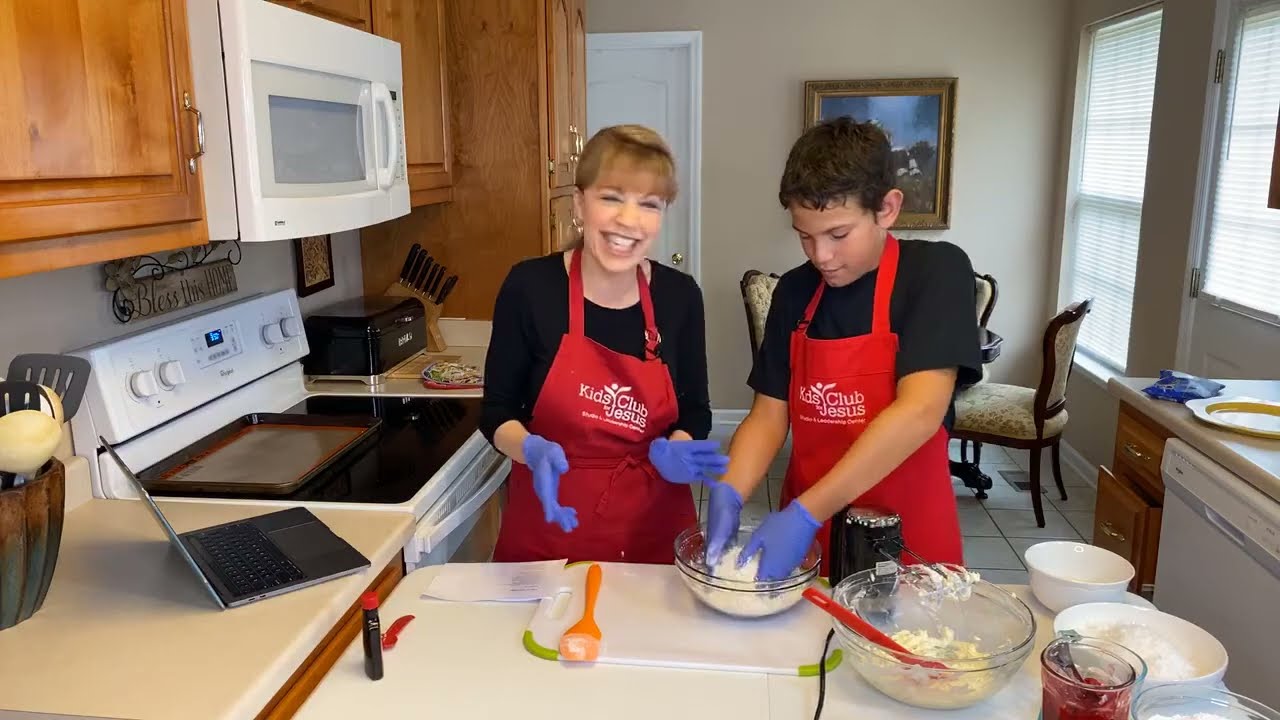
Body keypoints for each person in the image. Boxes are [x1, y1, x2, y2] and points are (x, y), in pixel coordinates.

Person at [707, 117, 982, 581]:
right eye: (804, 235)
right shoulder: (795, 292)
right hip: (810, 536)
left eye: (838, 235)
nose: (821, 256)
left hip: (907, 535)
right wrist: (730, 490)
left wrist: (804, 514)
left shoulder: (935, 273)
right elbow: (768, 415)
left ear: (887, 208)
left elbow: (919, 411)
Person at [482, 124, 728, 565]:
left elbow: (696, 409)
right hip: (547, 530)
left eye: (649, 204)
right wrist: (529, 449)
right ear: (580, 202)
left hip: (653, 534)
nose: (628, 221)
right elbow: (497, 410)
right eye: (611, 197)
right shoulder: (530, 287)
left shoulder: (680, 296)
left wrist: (681, 445)